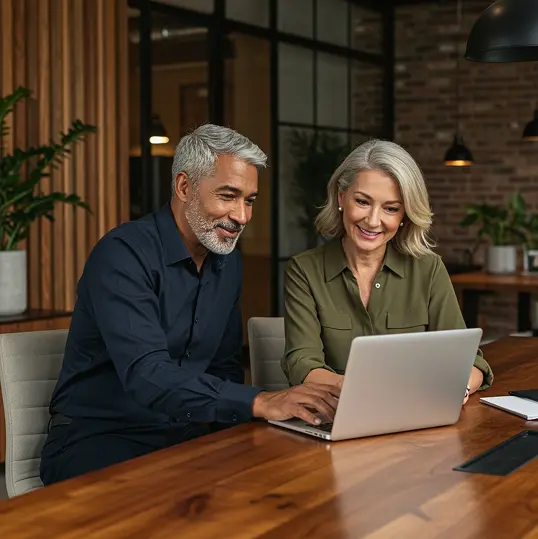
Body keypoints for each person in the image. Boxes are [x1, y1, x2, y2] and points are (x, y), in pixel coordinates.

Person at [40, 124, 339, 485]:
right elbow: (147, 374)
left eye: (249, 200)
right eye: (228, 196)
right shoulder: (122, 255)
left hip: (183, 434)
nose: (242, 216)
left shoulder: (227, 262)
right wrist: (260, 402)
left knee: (284, 480)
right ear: (184, 187)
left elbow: (224, 367)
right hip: (102, 437)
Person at [281, 138, 493, 403]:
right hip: (338, 411)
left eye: (390, 208)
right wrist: (357, 390)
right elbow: (302, 363)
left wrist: (456, 388)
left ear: (404, 214)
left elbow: (470, 362)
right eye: (362, 202)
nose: (372, 221)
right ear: (341, 197)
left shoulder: (428, 269)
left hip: (419, 414)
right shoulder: (304, 270)